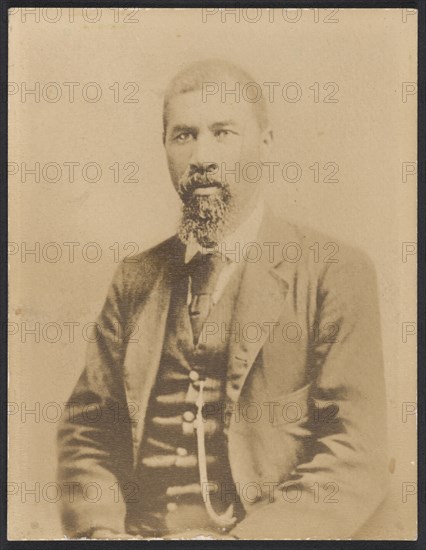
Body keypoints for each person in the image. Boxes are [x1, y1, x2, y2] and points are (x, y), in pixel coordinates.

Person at [57, 58, 388, 539]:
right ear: (166, 147)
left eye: (223, 133)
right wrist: (102, 532)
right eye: (184, 135)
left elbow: (355, 456)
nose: (202, 156)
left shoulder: (332, 272)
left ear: (265, 143)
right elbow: (86, 434)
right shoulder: (135, 278)